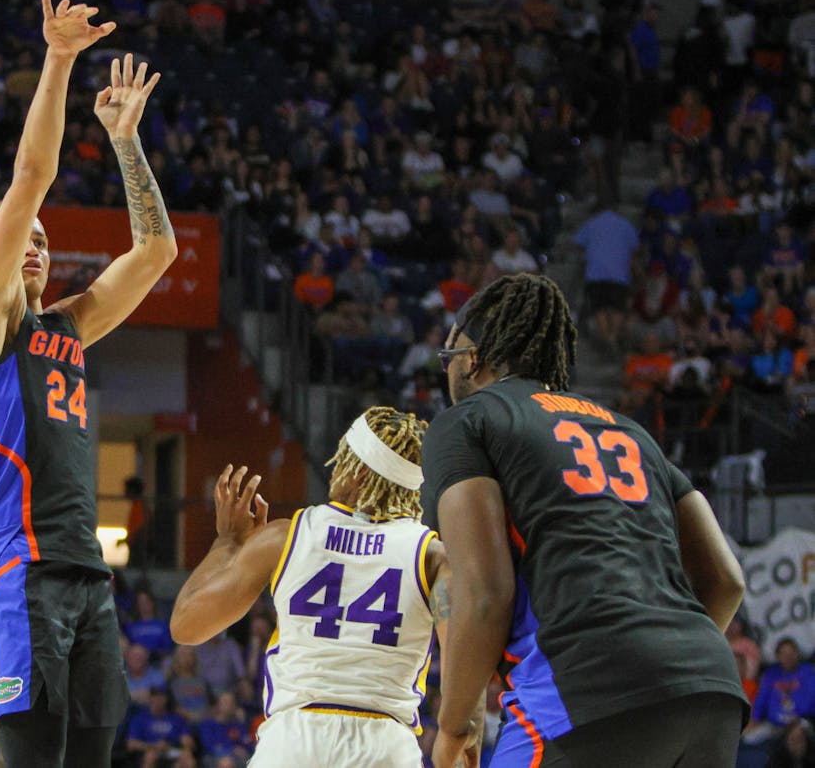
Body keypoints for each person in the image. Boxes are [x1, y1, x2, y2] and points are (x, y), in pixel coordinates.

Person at [0, 0, 179, 767]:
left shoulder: (69, 327)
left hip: (85, 574)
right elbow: (33, 176)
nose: (35, 244)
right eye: (20, 239)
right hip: (20, 574)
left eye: (44, 240)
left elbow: (155, 254)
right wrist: (59, 58)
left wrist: (125, 141)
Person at [423, 273, 748, 768]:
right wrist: (666, 665)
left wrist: (453, 724)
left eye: (448, 358)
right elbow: (726, 579)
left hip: (582, 689)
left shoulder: (470, 420)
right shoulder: (629, 429)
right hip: (710, 689)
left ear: (472, 357)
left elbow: (485, 592)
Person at [170, 407, 450, 767]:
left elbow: (186, 625)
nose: (336, 466)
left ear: (360, 471)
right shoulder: (432, 556)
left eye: (344, 456)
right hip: (385, 744)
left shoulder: (286, 536)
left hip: (294, 739)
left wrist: (226, 541)